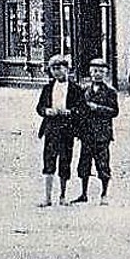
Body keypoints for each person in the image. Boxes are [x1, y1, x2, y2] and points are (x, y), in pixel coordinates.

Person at [36, 54, 83, 207]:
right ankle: (48, 197)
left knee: (65, 160)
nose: (57, 72)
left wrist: (70, 112)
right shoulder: (48, 88)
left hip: (67, 128)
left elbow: (82, 109)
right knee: (49, 160)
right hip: (51, 127)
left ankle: (63, 195)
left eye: (59, 68)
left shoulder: (75, 89)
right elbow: (40, 107)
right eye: (53, 69)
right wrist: (47, 111)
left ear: (67, 69)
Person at [73, 57, 119, 204]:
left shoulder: (110, 92)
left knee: (103, 164)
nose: (97, 74)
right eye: (94, 71)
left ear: (105, 74)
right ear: (90, 72)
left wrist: (97, 108)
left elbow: (114, 111)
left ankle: (104, 194)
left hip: (102, 134)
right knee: (84, 164)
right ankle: (83, 193)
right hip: (87, 133)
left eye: (100, 71)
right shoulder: (84, 90)